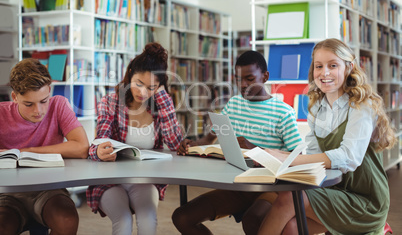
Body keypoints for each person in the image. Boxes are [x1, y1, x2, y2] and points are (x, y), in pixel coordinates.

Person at [257, 38, 396, 235]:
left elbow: (349, 157)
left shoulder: (361, 106)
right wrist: (281, 159)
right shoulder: (316, 108)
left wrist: (291, 160)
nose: (325, 73)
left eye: (333, 65)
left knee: (289, 198)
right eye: (319, 66)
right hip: (336, 191)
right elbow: (315, 158)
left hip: (366, 202)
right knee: (291, 226)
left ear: (349, 67)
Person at [172, 50, 303, 235]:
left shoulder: (283, 112)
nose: (243, 85)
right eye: (238, 79)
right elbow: (208, 140)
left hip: (271, 188)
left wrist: (256, 149)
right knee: (182, 217)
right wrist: (191, 145)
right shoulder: (233, 105)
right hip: (238, 185)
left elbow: (299, 158)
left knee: (253, 219)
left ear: (265, 76)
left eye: (249, 79)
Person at [86, 42, 183, 235]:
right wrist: (98, 151)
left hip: (144, 180)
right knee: (123, 221)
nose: (143, 92)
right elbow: (99, 141)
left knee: (148, 220)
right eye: (139, 84)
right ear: (130, 74)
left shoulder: (159, 106)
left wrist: (163, 97)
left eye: (151, 87)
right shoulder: (110, 102)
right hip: (110, 180)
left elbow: (175, 144)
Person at [0, 58, 89, 235]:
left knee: (67, 220)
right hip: (8, 194)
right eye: (28, 104)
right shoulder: (1, 114)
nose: (38, 111)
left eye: (43, 101)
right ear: (15, 97)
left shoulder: (59, 105)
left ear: (49, 90)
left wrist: (25, 152)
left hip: (50, 189)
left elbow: (81, 147)